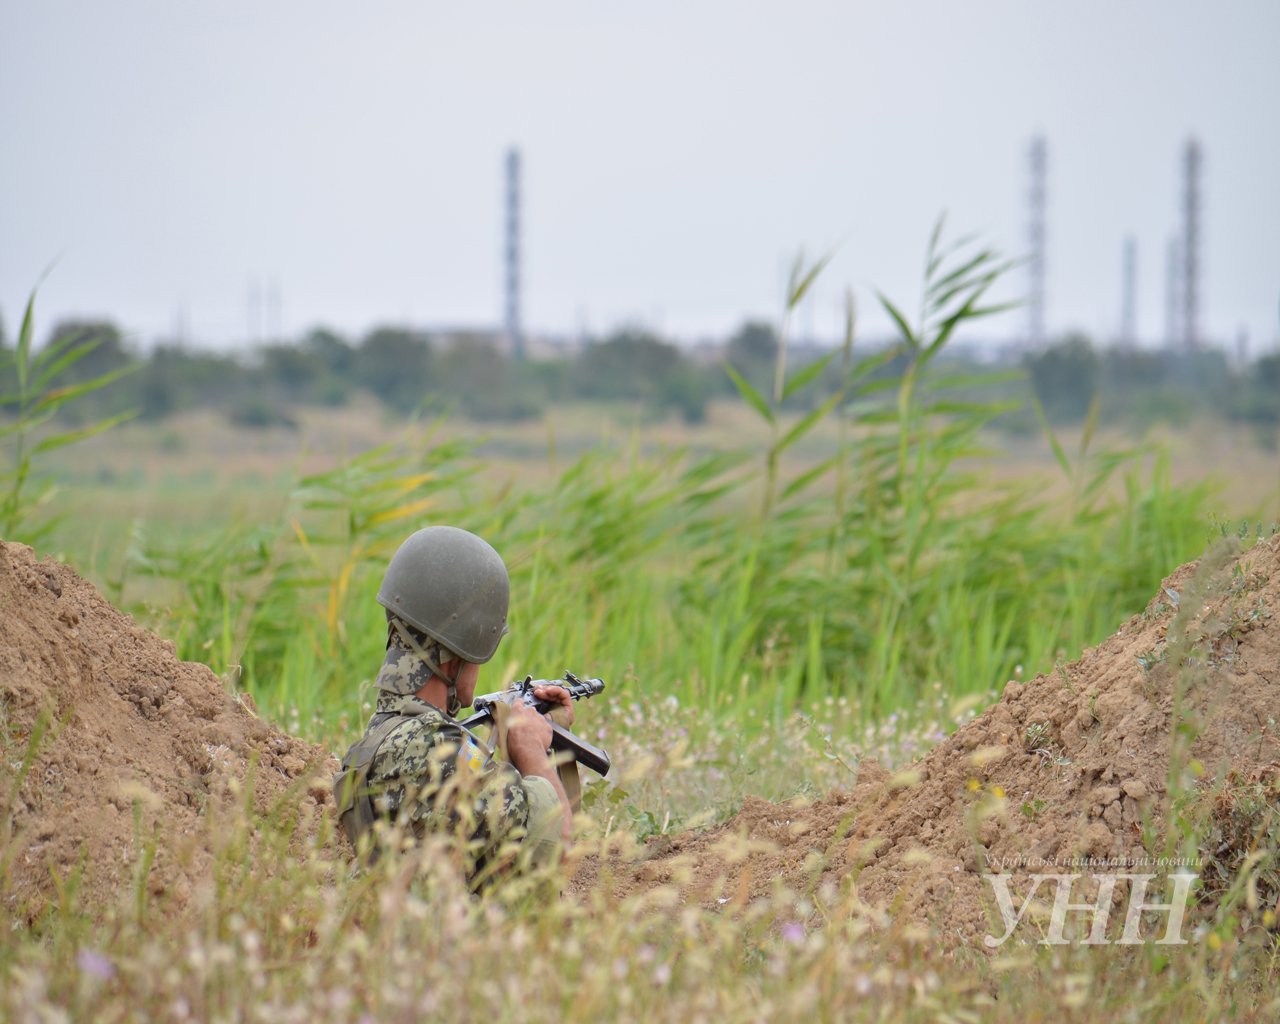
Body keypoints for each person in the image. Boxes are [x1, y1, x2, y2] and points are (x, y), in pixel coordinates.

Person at [333, 525, 573, 885]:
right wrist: (533, 748)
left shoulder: (383, 740)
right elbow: (559, 849)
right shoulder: (434, 751)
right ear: (459, 652)